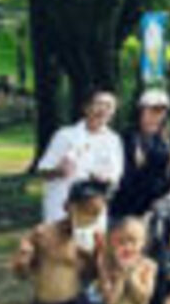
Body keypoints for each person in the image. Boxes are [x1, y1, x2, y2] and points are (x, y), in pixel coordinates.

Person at [13, 179, 108, 304]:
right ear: (68, 207)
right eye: (85, 211)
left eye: (96, 213)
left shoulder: (92, 238)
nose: (89, 218)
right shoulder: (44, 234)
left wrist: (97, 256)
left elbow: (91, 276)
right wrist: (23, 259)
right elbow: (21, 271)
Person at [37, 90, 124, 222]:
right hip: (61, 208)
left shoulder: (114, 140)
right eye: (99, 104)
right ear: (86, 108)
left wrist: (106, 179)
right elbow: (43, 171)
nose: (103, 110)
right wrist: (59, 171)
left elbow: (116, 175)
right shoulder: (65, 135)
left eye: (109, 106)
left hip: (94, 208)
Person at [111, 88, 170, 219]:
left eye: (161, 112)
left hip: (154, 204)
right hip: (124, 204)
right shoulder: (126, 136)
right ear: (140, 111)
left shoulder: (167, 138)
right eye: (151, 111)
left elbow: (166, 171)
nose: (156, 116)